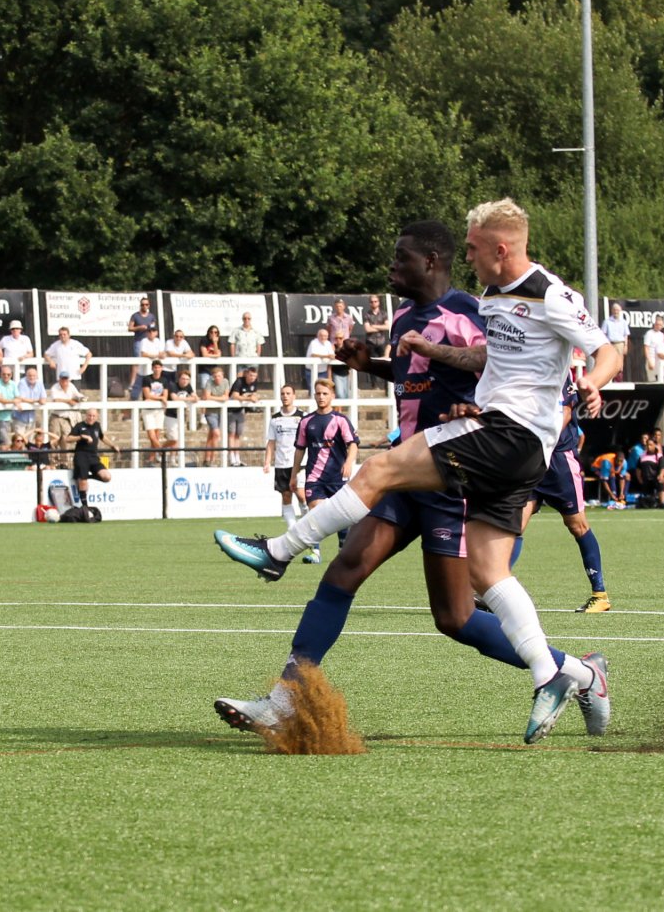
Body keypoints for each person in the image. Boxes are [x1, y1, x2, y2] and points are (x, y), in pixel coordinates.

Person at [215, 202, 620, 745]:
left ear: (431, 261)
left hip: (460, 471)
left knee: (455, 617)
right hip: (415, 464)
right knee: (345, 569)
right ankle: (284, 698)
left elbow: (547, 361)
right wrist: (372, 364)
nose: (391, 268)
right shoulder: (418, 316)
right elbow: (463, 365)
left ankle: (574, 671)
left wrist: (575, 385)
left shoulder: (476, 306)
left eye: (400, 258)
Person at [510, 378, 612, 613]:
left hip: (559, 461)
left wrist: (539, 439)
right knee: (513, 525)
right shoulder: (523, 373)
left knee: (577, 525)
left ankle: (600, 595)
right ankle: (494, 587)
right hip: (532, 460)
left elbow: (564, 414)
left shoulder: (558, 374)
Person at [292, 378, 358, 562]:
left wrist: (349, 463)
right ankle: (315, 553)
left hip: (337, 476)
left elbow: (353, 444)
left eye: (325, 394)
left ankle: (343, 549)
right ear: (314, 395)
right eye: (318, 393)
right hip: (314, 477)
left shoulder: (340, 420)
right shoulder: (306, 421)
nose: (321, 397)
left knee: (341, 516)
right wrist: (293, 474)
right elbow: (300, 449)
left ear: (332, 396)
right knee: (315, 512)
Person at [264, 384, 305, 533]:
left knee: (301, 495)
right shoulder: (275, 419)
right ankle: (293, 530)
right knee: (286, 496)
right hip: (281, 464)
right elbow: (271, 442)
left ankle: (307, 526)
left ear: (294, 396)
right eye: (283, 394)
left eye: (288, 393)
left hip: (299, 463)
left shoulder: (302, 416)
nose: (285, 396)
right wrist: (267, 462)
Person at [65, 407, 117, 505]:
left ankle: (86, 476)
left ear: (96, 416)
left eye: (93, 416)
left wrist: (112, 445)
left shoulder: (97, 425)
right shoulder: (80, 426)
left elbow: (102, 437)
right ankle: (85, 507)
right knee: (83, 483)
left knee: (107, 477)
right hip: (81, 456)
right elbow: (68, 439)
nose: (91, 418)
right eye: (89, 415)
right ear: (86, 415)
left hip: (93, 457)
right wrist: (81, 437)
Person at [226, 364, 260, 466]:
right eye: (250, 375)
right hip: (231, 411)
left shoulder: (254, 383)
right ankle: (231, 458)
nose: (252, 378)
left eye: (254, 376)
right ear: (246, 374)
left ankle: (237, 458)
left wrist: (254, 397)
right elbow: (234, 395)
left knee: (238, 434)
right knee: (231, 434)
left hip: (241, 410)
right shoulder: (239, 381)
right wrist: (249, 398)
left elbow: (255, 394)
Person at [139, 358, 170, 462]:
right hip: (148, 410)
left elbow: (165, 395)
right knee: (151, 436)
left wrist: (159, 398)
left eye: (159, 367)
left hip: (159, 410)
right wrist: (160, 398)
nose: (157, 369)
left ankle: (151, 459)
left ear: (161, 368)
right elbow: (147, 395)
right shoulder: (146, 379)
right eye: (155, 367)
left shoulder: (164, 380)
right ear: (152, 368)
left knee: (156, 435)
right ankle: (162, 451)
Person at [165, 367, 198, 464]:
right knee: (174, 439)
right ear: (179, 379)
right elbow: (175, 398)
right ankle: (159, 449)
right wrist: (189, 399)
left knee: (178, 439)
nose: (185, 381)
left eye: (187, 379)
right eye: (183, 379)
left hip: (181, 416)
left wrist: (190, 398)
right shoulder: (173, 385)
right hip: (171, 415)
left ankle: (173, 458)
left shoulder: (188, 386)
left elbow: (196, 398)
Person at [199, 365, 230, 463]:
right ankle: (213, 459)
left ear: (222, 376)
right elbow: (207, 397)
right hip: (210, 412)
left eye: (219, 376)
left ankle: (206, 459)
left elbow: (226, 397)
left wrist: (214, 397)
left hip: (220, 412)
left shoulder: (225, 382)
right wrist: (220, 398)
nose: (217, 378)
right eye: (215, 376)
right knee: (216, 434)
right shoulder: (209, 382)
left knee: (211, 435)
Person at [304, 327, 336, 395]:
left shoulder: (328, 343)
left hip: (323, 372)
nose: (323, 337)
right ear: (318, 336)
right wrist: (327, 356)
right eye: (321, 335)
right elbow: (313, 354)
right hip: (311, 371)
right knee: (313, 390)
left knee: (322, 390)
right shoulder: (313, 343)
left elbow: (332, 355)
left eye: (325, 336)